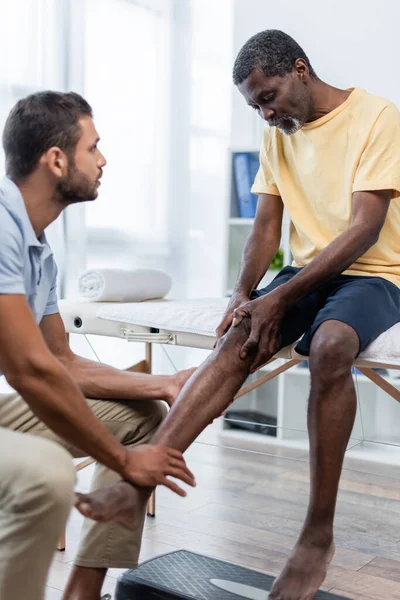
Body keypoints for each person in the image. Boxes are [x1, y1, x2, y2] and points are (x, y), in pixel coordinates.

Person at [76, 30, 400, 599]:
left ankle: (316, 537)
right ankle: (134, 483)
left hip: (378, 271)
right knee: (241, 334)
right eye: (255, 106)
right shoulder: (279, 133)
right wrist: (244, 297)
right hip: (307, 271)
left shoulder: (377, 118)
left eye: (269, 97)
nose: (266, 112)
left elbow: (362, 231)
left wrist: (279, 296)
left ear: (300, 69)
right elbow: (265, 228)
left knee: (330, 347)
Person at [0, 91, 196, 600]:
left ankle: (82, 591)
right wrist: (123, 461)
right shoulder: (0, 224)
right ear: (57, 159)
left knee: (143, 418)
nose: (103, 160)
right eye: (94, 147)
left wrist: (163, 382)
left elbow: (60, 359)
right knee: (49, 475)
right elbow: (29, 369)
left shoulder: (38, 250)